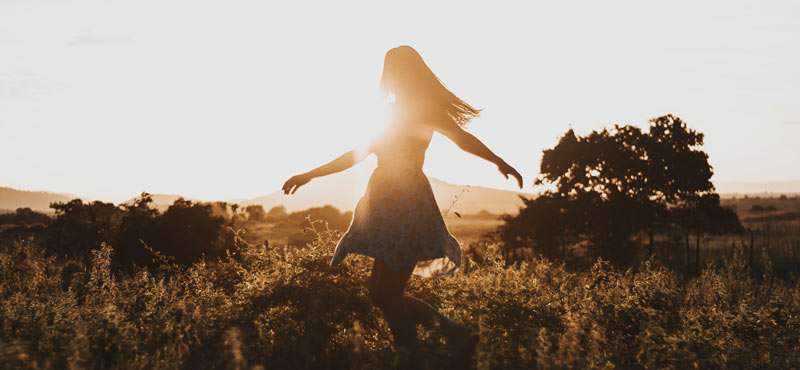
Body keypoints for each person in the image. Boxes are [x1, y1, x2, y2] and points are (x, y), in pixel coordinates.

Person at [282, 45, 523, 365]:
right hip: (386, 205)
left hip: (407, 206)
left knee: (384, 292)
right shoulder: (391, 112)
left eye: (394, 70)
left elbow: (463, 140)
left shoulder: (424, 110)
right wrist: (310, 174)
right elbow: (356, 153)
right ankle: (428, 344)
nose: (389, 76)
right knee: (383, 292)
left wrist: (498, 161)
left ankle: (430, 344)